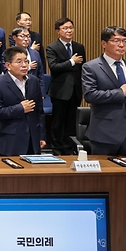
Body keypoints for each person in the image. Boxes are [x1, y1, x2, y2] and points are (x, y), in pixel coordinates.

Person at [82, 26, 126, 155]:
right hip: (104, 134)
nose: (121, 45)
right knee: (105, 173)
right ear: (104, 43)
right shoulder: (91, 67)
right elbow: (90, 95)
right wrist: (121, 93)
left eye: (125, 41)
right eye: (116, 41)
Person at [0, 47, 47, 156]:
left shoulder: (33, 81)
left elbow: (39, 111)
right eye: (19, 62)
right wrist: (20, 108)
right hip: (10, 142)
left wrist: (41, 136)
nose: (24, 65)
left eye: (26, 61)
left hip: (32, 140)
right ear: (8, 65)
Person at [46, 17, 86, 155]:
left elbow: (82, 69)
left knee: (71, 122)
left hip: (75, 90)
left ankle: (69, 147)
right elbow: (54, 67)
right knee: (58, 122)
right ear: (58, 31)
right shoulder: (52, 47)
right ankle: (57, 149)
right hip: (60, 90)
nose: (69, 31)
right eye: (65, 28)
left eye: (71, 28)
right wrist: (71, 62)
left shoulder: (79, 47)